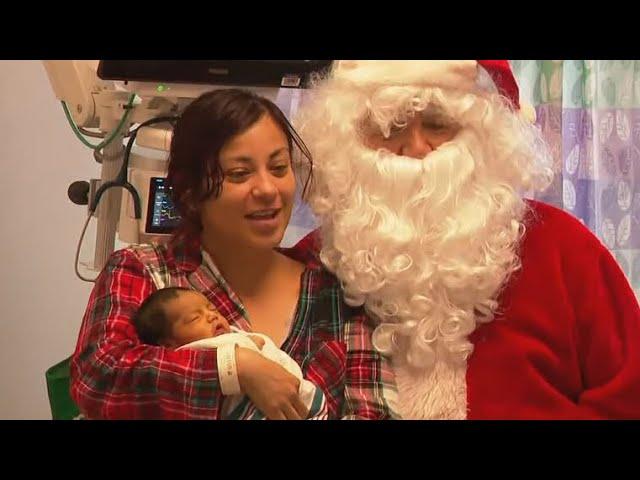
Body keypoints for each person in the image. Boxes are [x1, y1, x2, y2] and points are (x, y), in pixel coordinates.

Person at [292, 60, 640, 419]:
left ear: (485, 137)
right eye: (391, 127)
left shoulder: (564, 249)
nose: (416, 148)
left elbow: (629, 394)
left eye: (438, 124)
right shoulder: (314, 265)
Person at [70, 87, 397, 420]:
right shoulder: (143, 270)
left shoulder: (339, 290)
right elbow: (99, 376)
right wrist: (233, 368)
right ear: (190, 191)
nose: (268, 189)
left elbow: (374, 410)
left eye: (279, 168)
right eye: (239, 174)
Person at [132, 286, 328, 419]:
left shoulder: (232, 333)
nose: (211, 316)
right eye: (194, 318)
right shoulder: (190, 353)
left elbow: (258, 343)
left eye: (212, 309)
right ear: (168, 343)